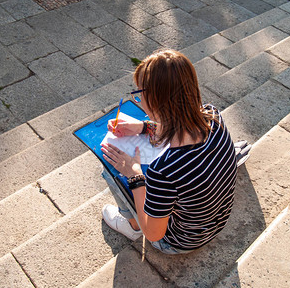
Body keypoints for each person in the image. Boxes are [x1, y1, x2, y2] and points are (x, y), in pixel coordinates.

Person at [100, 49, 238, 255]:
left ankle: (132, 226)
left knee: (111, 170)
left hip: (177, 241)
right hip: (215, 222)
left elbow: (154, 234)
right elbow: (180, 125)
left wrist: (135, 176)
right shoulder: (213, 115)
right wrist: (144, 127)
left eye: (139, 95)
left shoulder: (163, 170)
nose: (138, 100)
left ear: (155, 102)